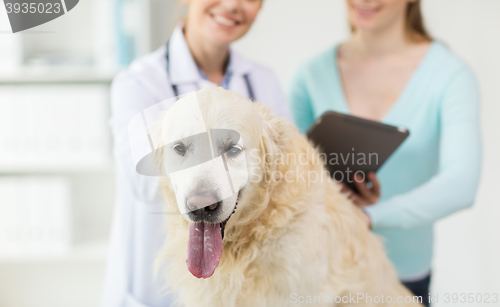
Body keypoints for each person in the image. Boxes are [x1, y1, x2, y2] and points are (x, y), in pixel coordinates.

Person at [288, 0, 482, 305]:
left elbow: (461, 184)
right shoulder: (311, 75)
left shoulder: (449, 74)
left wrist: (370, 216)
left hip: (402, 277)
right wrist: (334, 193)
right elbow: (289, 177)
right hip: (320, 274)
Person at [102, 0, 290, 306]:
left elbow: (283, 171)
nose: (231, 5)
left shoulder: (262, 80)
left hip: (246, 284)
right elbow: (143, 181)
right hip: (157, 290)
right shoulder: (138, 82)